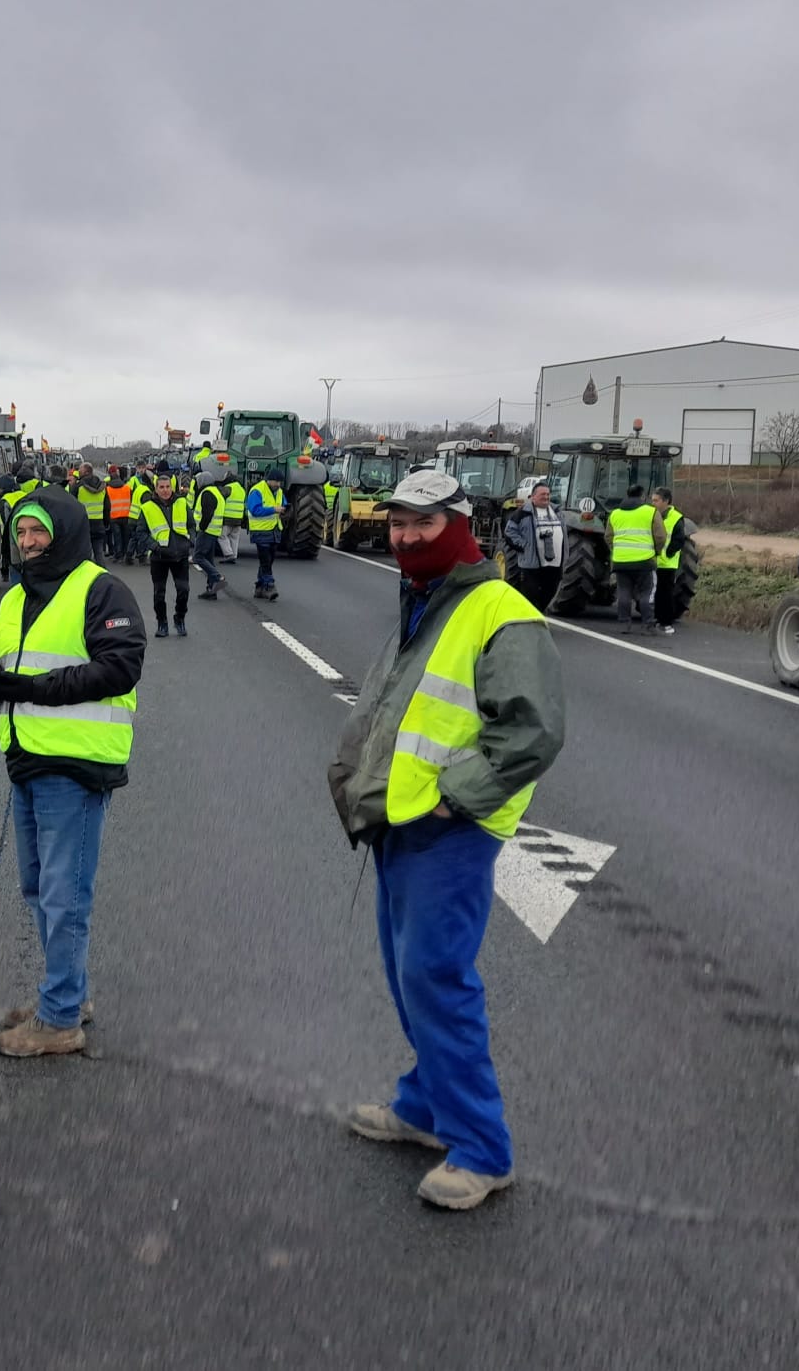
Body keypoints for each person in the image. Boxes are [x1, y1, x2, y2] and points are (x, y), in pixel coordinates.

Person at [327, 470, 565, 1211]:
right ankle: (426, 1108)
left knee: (437, 977)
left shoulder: (500, 610)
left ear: (460, 526)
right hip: (401, 820)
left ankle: (483, 1148)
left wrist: (451, 801)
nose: (404, 537)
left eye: (422, 524)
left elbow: (533, 731)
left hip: (449, 830)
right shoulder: (425, 600)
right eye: (398, 523)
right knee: (411, 978)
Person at [0, 486, 145, 1057]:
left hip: (76, 764)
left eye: (38, 531)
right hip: (25, 757)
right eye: (21, 533)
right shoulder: (17, 596)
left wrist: (26, 689)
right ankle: (67, 992)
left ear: (64, 531)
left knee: (63, 894)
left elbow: (120, 667)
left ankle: (61, 1017)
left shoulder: (101, 589)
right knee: (37, 886)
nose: (27, 543)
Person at [605, 483, 665, 634]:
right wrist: (656, 552)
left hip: (621, 562)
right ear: (643, 496)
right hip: (645, 561)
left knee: (624, 592)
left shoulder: (615, 513)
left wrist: (617, 550)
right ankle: (648, 625)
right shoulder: (650, 512)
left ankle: (624, 623)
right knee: (647, 593)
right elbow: (660, 536)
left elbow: (608, 537)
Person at [139, 473, 193, 637]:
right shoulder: (147, 507)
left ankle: (180, 618)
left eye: (167, 487)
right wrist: (154, 547)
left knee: (183, 590)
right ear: (156, 489)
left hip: (180, 555)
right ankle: (162, 623)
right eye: (161, 487)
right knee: (159, 594)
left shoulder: (182, 503)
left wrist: (190, 542)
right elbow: (141, 533)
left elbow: (191, 525)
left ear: (172, 487)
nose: (165, 490)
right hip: (159, 557)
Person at [501, 480, 564, 613]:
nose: (546, 497)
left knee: (549, 592)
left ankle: (538, 614)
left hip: (553, 564)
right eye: (542, 495)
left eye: (548, 494)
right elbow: (509, 532)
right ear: (533, 496)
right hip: (531, 564)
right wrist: (524, 547)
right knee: (530, 594)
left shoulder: (557, 512)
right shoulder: (523, 512)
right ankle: (531, 620)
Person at [652, 488, 691, 633]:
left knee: (665, 594)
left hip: (667, 564)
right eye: (653, 500)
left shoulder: (676, 517)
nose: (653, 503)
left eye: (656, 500)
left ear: (665, 501)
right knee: (655, 593)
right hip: (654, 562)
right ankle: (657, 620)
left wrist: (668, 553)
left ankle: (666, 622)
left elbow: (679, 539)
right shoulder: (653, 515)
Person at [247, 466, 286, 600]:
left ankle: (259, 587)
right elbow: (254, 510)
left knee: (269, 560)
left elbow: (283, 504)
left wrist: (285, 509)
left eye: (280, 482)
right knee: (265, 561)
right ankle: (270, 585)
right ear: (269, 480)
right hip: (260, 531)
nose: (278, 485)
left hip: (274, 531)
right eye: (276, 482)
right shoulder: (257, 491)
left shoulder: (279, 492)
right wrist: (274, 510)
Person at [192, 470, 227, 598]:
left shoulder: (207, 493)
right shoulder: (217, 492)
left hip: (206, 531)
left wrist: (201, 527)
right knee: (209, 560)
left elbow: (207, 513)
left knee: (198, 557)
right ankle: (212, 590)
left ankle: (218, 578)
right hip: (214, 530)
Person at [75, 463, 109, 561]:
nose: (78, 472)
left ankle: (88, 574)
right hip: (98, 524)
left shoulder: (79, 486)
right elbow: (107, 507)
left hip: (83, 524)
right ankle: (103, 574)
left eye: (80, 470)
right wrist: (106, 523)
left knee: (85, 554)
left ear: (86, 472)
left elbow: (72, 504)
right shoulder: (102, 487)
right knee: (99, 553)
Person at [104, 468, 135, 564]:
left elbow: (106, 505)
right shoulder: (127, 488)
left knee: (117, 537)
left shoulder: (108, 489)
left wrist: (106, 519)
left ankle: (118, 555)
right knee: (126, 536)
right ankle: (126, 554)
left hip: (114, 516)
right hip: (126, 515)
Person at [221, 467, 247, 562]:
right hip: (238, 519)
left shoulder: (228, 488)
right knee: (234, 538)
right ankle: (234, 556)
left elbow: (220, 499)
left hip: (228, 518)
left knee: (222, 536)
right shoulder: (242, 489)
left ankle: (228, 554)